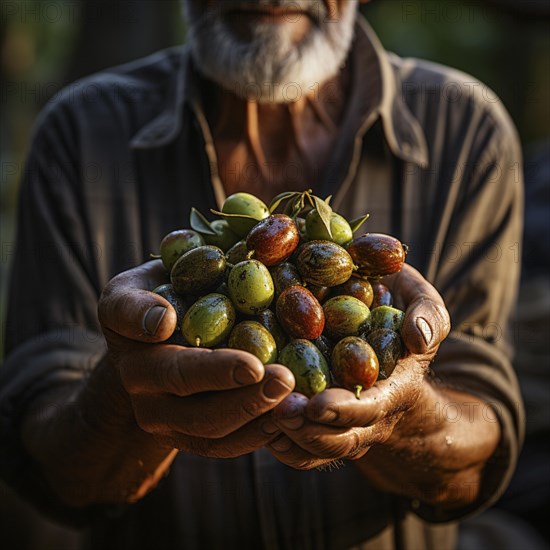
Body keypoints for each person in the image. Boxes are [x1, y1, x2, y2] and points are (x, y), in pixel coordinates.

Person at [0, 1, 525, 549]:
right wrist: (125, 396)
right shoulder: (79, 134)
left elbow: (475, 462)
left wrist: (402, 418)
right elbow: (50, 469)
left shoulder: (466, 131)